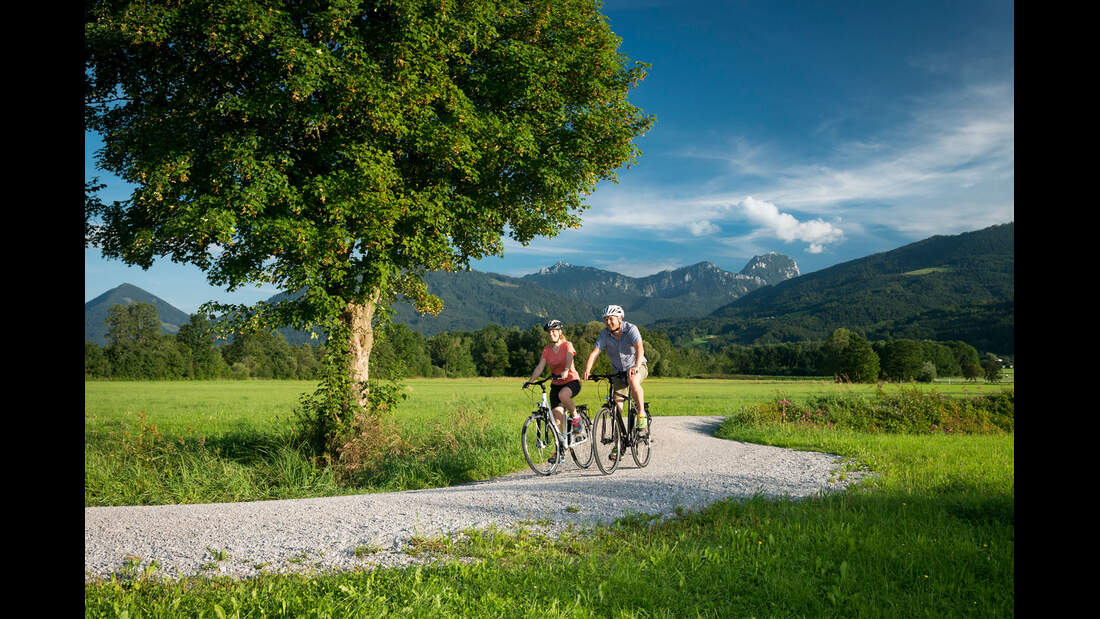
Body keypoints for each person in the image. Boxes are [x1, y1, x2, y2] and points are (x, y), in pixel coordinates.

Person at [582, 304, 648, 459]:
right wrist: (587, 370)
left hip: (638, 366)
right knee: (616, 410)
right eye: (606, 319)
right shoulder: (604, 334)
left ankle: (641, 416)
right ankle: (619, 445)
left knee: (633, 380)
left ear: (620, 318)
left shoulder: (631, 329)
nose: (608, 322)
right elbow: (595, 353)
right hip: (618, 373)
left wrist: (636, 366)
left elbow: (640, 349)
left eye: (611, 319)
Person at [525, 319, 583, 463]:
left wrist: (566, 369)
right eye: (549, 332)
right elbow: (540, 367)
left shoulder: (567, 345)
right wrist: (530, 381)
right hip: (556, 384)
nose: (551, 334)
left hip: (571, 381)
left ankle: (576, 417)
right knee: (557, 420)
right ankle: (560, 451)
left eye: (554, 331)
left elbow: (569, 357)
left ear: (559, 332)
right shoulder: (547, 350)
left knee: (563, 395)